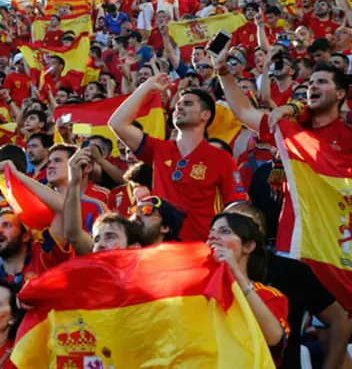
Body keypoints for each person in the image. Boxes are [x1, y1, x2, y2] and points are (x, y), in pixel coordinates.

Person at [219, 62, 352, 368]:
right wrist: (224, 73)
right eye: (310, 84)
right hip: (295, 248)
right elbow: (242, 111)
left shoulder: (347, 134)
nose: (313, 87)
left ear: (342, 93)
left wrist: (295, 107)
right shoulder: (292, 129)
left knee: (335, 327)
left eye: (323, 82)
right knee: (292, 331)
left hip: (338, 247)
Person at [108, 73, 247, 242]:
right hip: (162, 250)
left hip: (200, 249)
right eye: (178, 104)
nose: (178, 108)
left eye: (187, 104)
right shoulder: (159, 149)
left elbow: (235, 207)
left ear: (205, 115)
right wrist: (147, 86)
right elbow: (117, 123)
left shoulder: (221, 158)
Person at [207, 212, 289, 364]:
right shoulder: (199, 292)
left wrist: (236, 273)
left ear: (248, 246)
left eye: (225, 231)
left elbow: (274, 338)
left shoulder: (267, 295)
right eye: (211, 232)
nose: (213, 237)